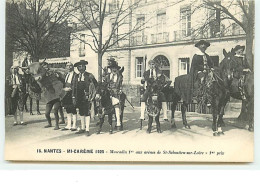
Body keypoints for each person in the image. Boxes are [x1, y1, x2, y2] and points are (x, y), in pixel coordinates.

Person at [72, 60, 97, 136]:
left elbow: (96, 85)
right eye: (79, 66)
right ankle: (82, 128)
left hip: (86, 96)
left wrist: (92, 95)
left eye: (82, 66)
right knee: (81, 112)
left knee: (87, 112)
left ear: (85, 67)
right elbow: (73, 87)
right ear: (77, 68)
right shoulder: (76, 76)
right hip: (78, 96)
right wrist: (73, 96)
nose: (81, 68)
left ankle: (87, 129)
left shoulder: (89, 75)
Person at [190, 40, 214, 106]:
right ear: (199, 46)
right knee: (202, 80)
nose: (203, 46)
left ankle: (210, 97)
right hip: (198, 71)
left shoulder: (207, 55)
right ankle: (200, 96)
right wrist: (202, 69)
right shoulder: (196, 56)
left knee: (213, 80)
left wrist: (211, 67)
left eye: (204, 45)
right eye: (202, 45)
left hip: (207, 71)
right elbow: (195, 65)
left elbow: (211, 63)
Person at [103, 59, 123, 129]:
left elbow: (120, 85)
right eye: (112, 68)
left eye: (115, 68)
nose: (114, 70)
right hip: (108, 92)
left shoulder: (119, 77)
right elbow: (105, 84)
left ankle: (118, 123)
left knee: (116, 106)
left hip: (116, 93)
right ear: (110, 69)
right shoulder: (107, 76)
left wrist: (120, 90)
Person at [61, 62, 77, 131]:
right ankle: (69, 125)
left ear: (72, 67)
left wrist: (71, 89)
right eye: (67, 66)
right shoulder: (66, 75)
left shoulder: (76, 75)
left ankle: (74, 125)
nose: (69, 67)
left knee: (73, 109)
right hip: (66, 93)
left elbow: (76, 85)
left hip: (72, 93)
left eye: (70, 66)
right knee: (67, 109)